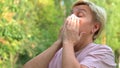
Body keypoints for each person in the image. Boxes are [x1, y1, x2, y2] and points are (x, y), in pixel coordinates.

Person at [23, 0, 116, 68]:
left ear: (95, 27)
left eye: (79, 15)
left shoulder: (103, 52)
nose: (71, 17)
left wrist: (68, 41)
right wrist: (59, 42)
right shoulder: (59, 53)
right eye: (71, 14)